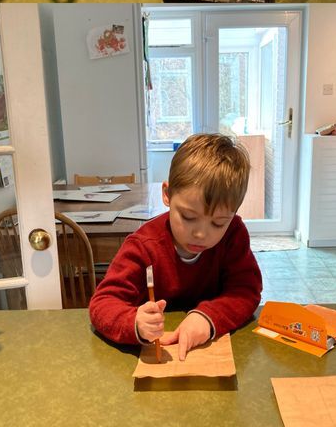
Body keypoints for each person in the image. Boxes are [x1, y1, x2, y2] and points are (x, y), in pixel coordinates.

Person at [88, 134, 263, 354]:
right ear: (167, 195)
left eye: (218, 223)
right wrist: (134, 323)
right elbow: (103, 303)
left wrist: (207, 318)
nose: (201, 234)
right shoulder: (143, 246)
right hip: (152, 351)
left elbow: (246, 291)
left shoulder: (234, 234)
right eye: (189, 217)